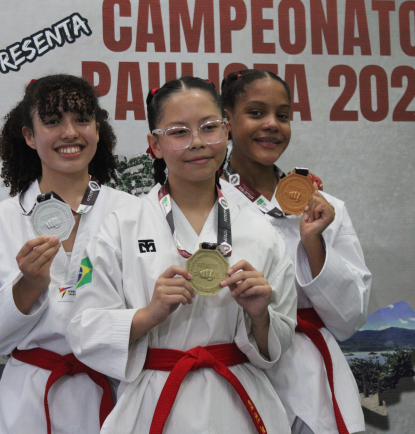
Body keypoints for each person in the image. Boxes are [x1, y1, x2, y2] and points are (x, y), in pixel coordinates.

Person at [66, 76, 297, 434]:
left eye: (209, 127)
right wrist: (148, 315)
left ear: (227, 130)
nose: (197, 142)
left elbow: (282, 342)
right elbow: (83, 328)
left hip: (240, 403)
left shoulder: (260, 229)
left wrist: (260, 315)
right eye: (178, 132)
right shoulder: (120, 226)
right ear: (155, 145)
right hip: (154, 400)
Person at [0, 74, 136, 434]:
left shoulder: (133, 213)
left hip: (118, 394)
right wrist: (27, 286)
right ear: (29, 135)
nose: (70, 133)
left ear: (97, 130)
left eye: (82, 119)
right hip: (31, 401)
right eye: (53, 121)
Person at [220, 69, 372, 434]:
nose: (272, 124)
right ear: (226, 121)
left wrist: (313, 244)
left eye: (283, 115)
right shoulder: (202, 206)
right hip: (232, 375)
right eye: (256, 112)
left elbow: (350, 319)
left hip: (310, 383)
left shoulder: (322, 207)